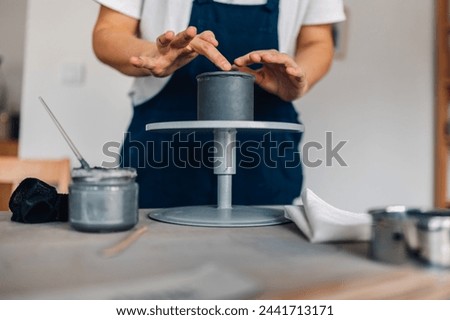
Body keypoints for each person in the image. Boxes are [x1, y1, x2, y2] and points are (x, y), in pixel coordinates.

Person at [92, 0, 345, 208]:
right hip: (161, 158)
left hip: (267, 158)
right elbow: (108, 33)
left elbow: (318, 42)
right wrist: (152, 54)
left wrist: (301, 77)